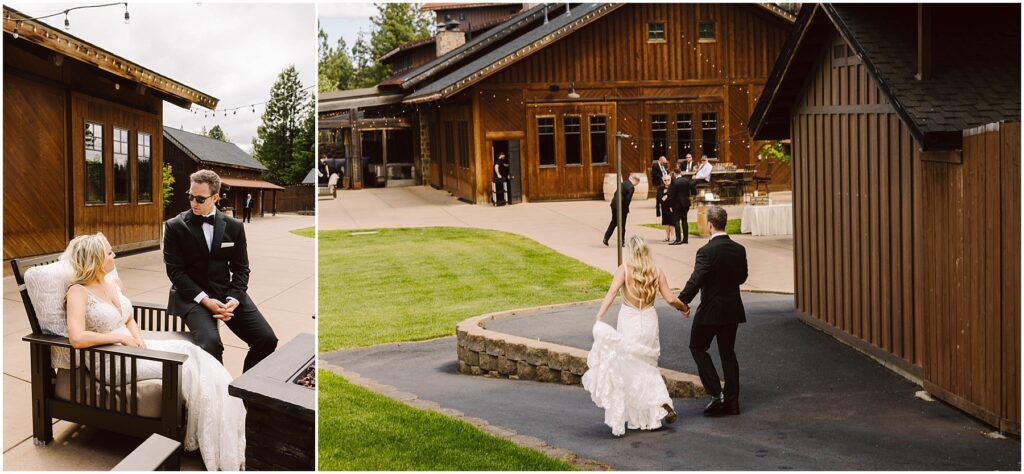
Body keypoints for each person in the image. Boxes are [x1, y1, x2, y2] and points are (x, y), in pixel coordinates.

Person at [63, 233, 245, 470]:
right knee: (187, 368)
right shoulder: (78, 292)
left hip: (134, 348)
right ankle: (213, 438)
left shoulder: (111, 282)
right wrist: (120, 338)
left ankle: (227, 428)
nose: (114, 255)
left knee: (195, 354)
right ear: (96, 259)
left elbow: (128, 317)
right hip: (110, 359)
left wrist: (138, 339)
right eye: (109, 253)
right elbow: (77, 338)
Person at [163, 169, 278, 372]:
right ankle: (220, 391)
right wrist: (206, 300)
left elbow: (241, 269)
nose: (193, 202)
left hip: (226, 293)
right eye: (190, 196)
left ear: (215, 197)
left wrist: (234, 299)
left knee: (267, 339)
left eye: (200, 199)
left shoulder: (234, 226)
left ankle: (243, 387)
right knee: (211, 345)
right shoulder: (175, 226)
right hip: (193, 296)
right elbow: (176, 272)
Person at [582, 235, 690, 437]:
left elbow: (611, 293)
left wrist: (599, 316)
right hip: (649, 321)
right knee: (648, 366)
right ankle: (657, 408)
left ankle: (637, 419)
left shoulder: (624, 269)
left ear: (630, 251)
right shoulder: (656, 272)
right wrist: (684, 307)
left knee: (630, 368)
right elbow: (670, 298)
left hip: (629, 321)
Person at [677, 206, 748, 416]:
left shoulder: (706, 252)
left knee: (697, 346)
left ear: (709, 225)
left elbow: (696, 280)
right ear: (724, 223)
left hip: (711, 310)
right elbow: (742, 277)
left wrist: (682, 301)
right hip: (732, 308)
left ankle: (717, 394)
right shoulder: (739, 249)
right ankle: (732, 403)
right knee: (728, 353)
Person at [602, 175, 639, 247]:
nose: (636, 185)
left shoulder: (623, 183)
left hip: (614, 204)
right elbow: (628, 200)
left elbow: (616, 193)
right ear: (635, 181)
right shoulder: (631, 187)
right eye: (637, 183)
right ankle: (622, 241)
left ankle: (606, 238)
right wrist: (625, 210)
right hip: (621, 207)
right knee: (622, 224)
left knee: (614, 222)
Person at [667, 172, 698, 245]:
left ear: (675, 174)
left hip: (677, 204)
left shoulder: (674, 182)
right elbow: (693, 187)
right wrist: (693, 195)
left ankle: (678, 239)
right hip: (686, 203)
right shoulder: (687, 180)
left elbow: (671, 195)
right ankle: (685, 239)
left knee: (676, 221)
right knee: (684, 221)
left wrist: (670, 205)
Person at [657, 175, 674, 242]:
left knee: (672, 222)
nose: (667, 181)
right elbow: (658, 198)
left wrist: (666, 196)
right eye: (665, 180)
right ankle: (667, 237)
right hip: (664, 207)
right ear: (663, 181)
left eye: (668, 180)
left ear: (671, 180)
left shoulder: (673, 187)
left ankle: (672, 236)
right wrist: (663, 198)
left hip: (671, 207)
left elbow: (674, 197)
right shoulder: (660, 188)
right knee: (666, 222)